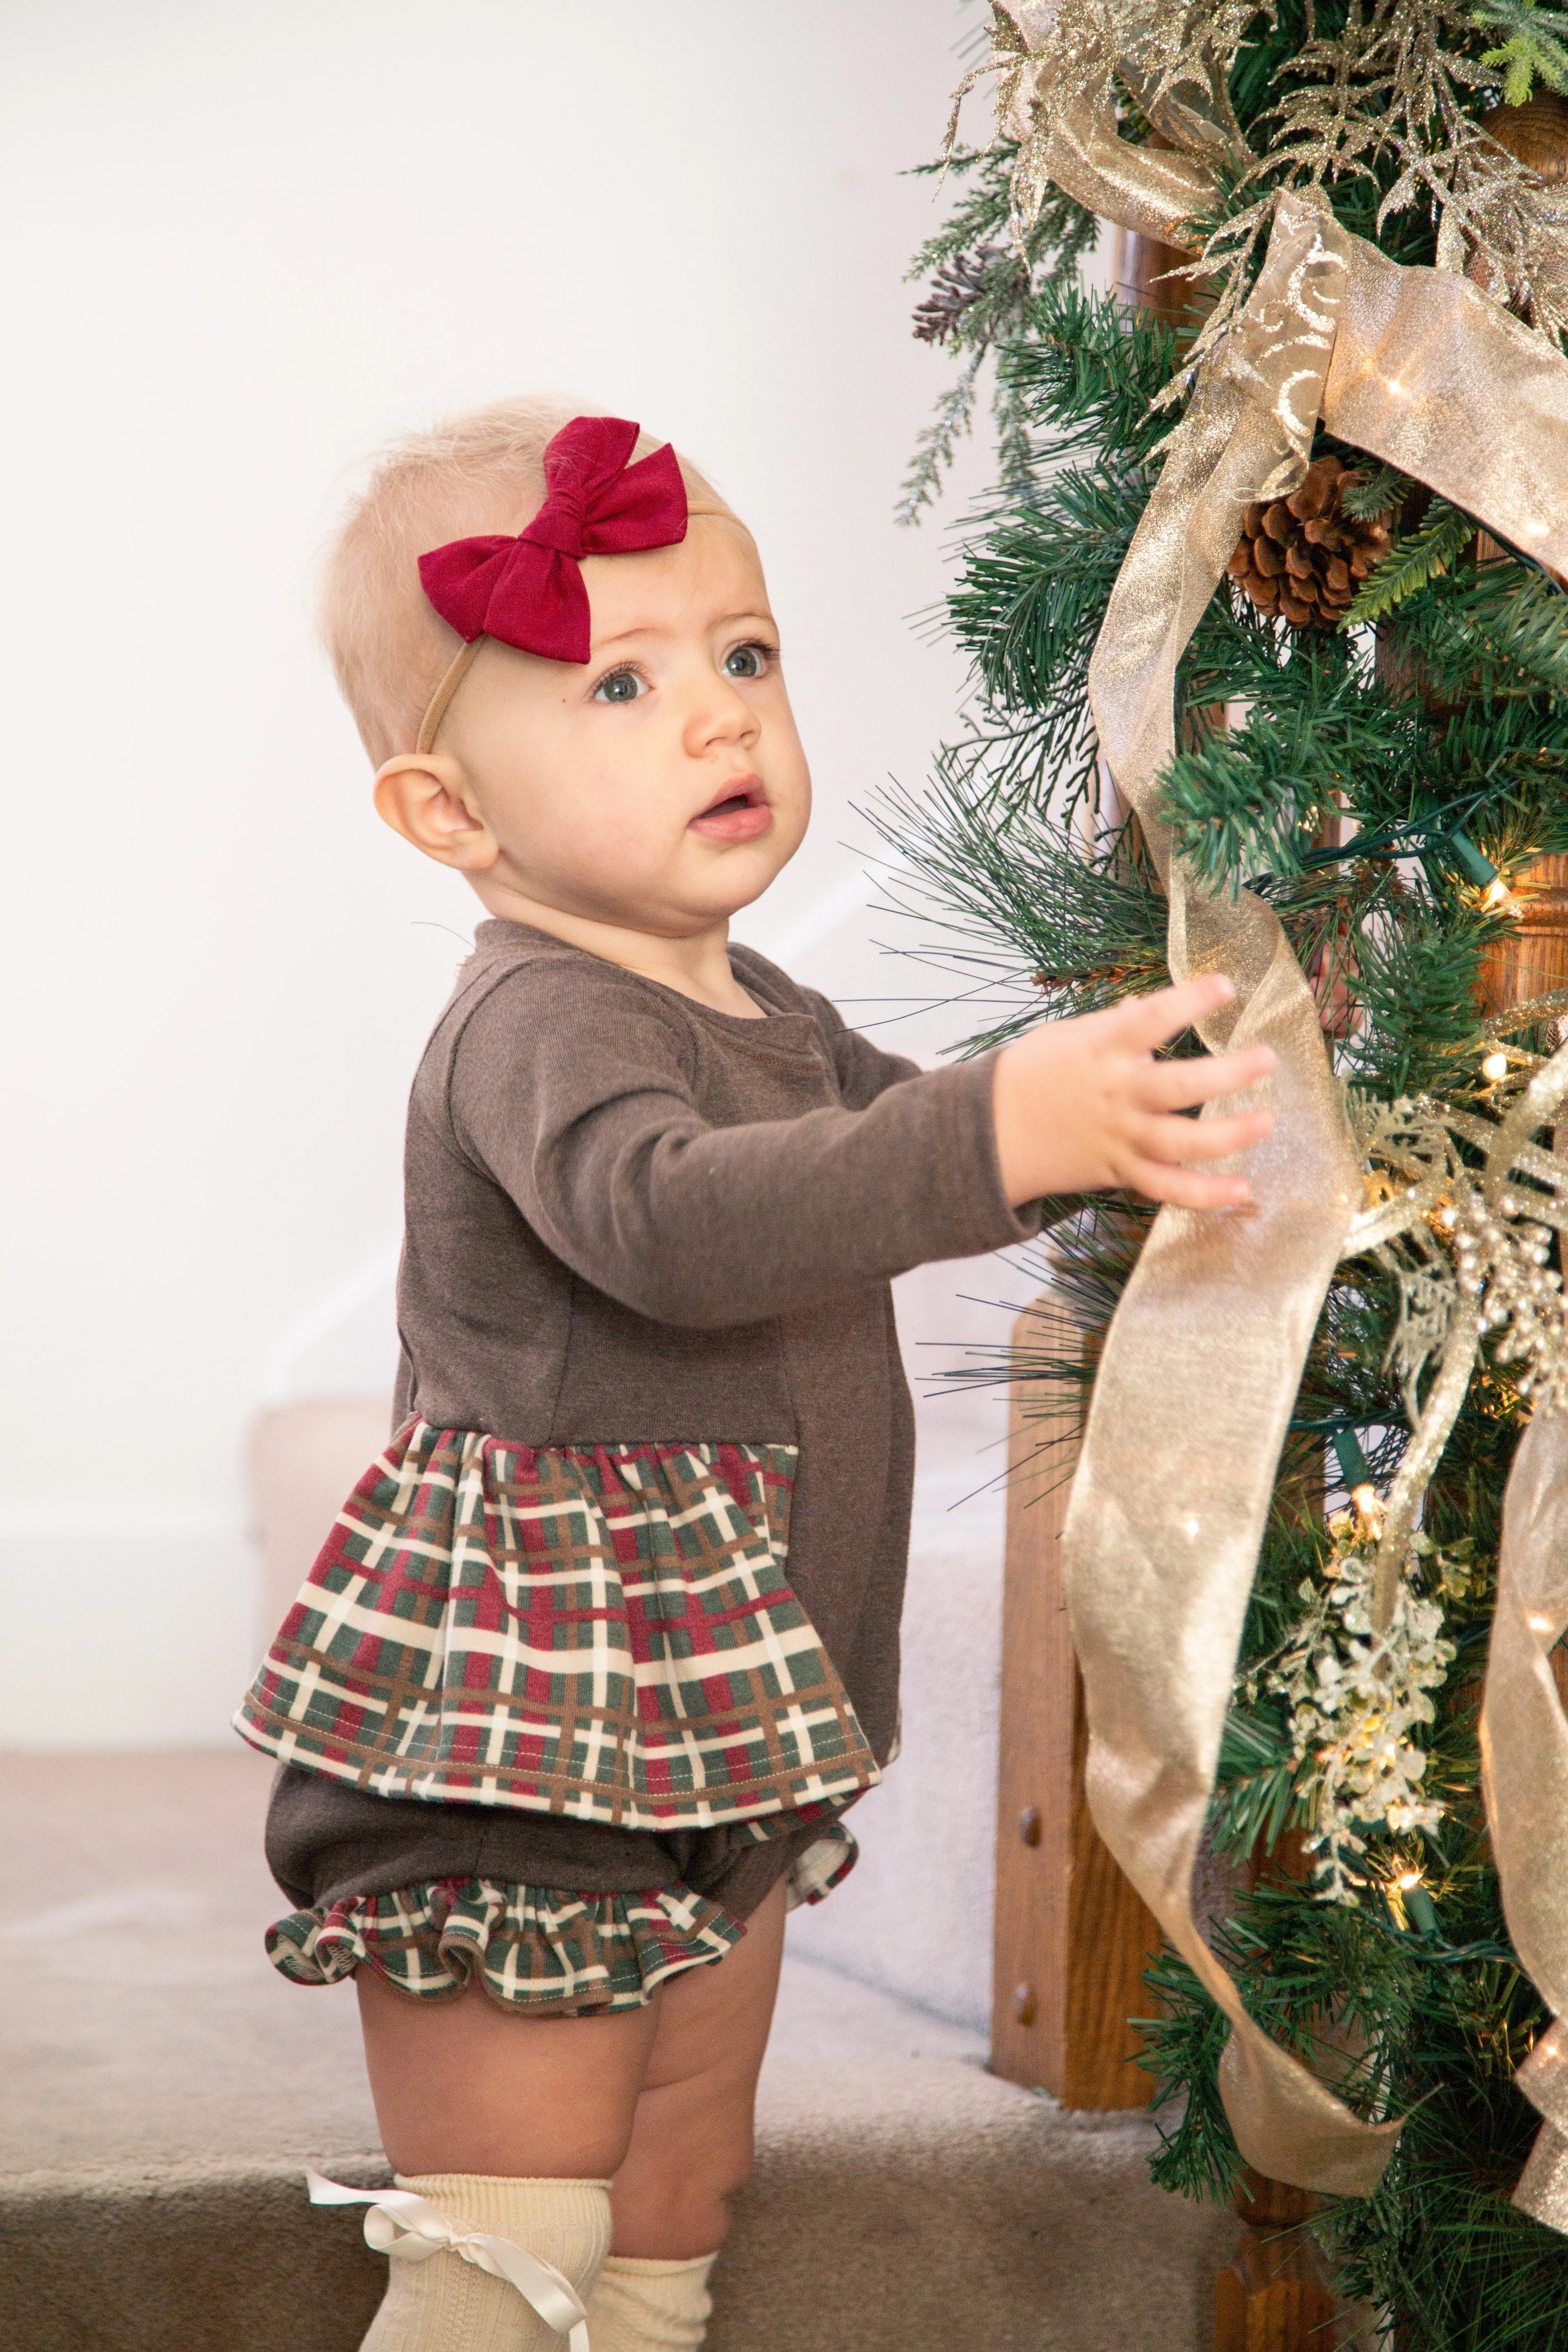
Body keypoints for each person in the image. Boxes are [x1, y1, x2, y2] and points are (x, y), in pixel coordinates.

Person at [235, 402, 1275, 2352]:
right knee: (511, 2235)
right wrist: (1000, 1126)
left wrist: (1109, 1134)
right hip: (534, 1744)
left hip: (734, 1718)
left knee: (670, 2199)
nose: (720, 719)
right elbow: (679, 1220)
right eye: (618, 685)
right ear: (451, 817)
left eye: (744, 656)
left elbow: (881, 1184)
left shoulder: (769, 1009)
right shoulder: (535, 1022)